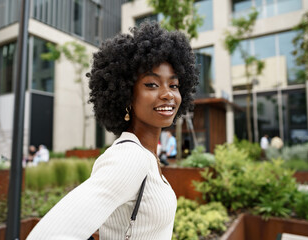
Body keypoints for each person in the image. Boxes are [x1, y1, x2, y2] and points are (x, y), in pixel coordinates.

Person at [27, 21, 199, 240]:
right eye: (152, 85)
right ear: (127, 95)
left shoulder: (146, 156)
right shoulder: (130, 157)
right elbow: (47, 235)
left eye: (173, 85)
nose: (168, 94)